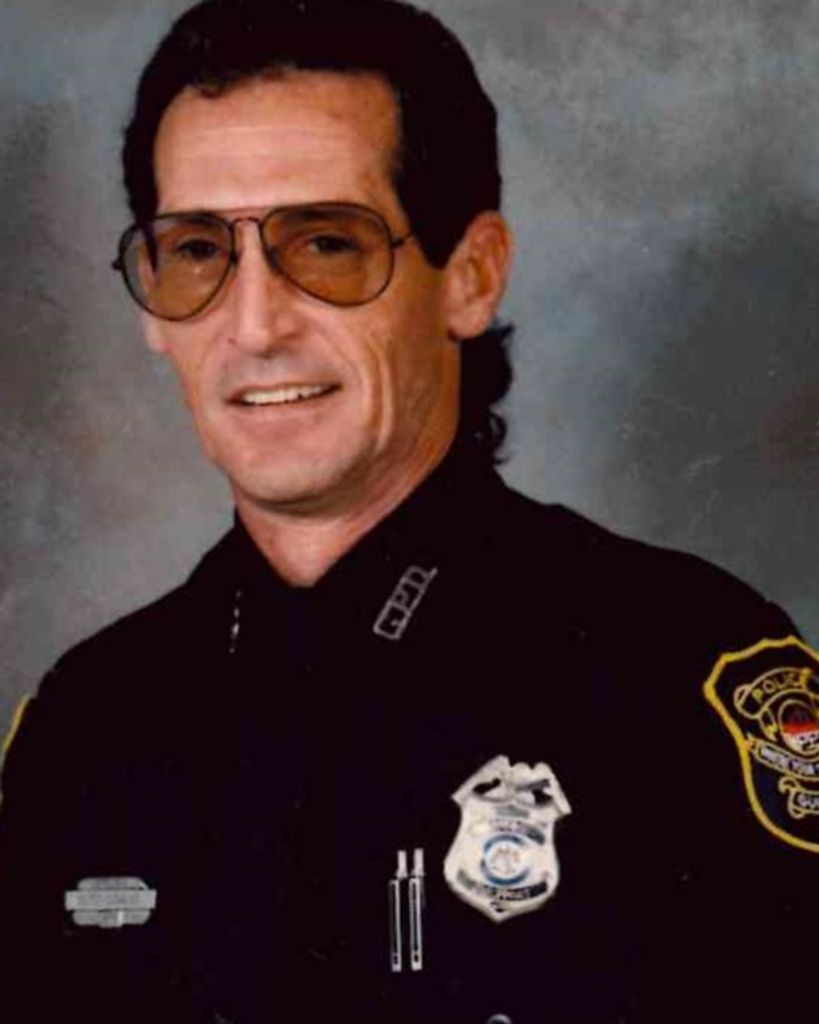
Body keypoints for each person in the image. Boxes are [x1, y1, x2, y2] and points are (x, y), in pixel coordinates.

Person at [1, 1, 817, 1022]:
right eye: (200, 250)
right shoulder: (88, 728)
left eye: (325, 244)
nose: (252, 326)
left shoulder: (672, 674)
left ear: (470, 277)